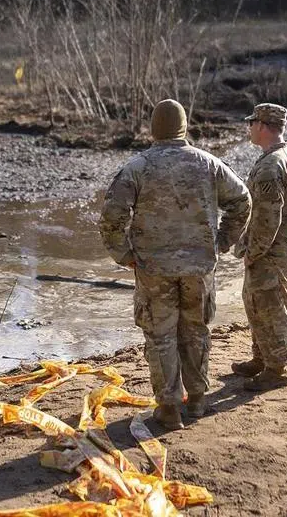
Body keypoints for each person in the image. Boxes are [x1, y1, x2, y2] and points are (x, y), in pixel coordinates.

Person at [99, 99, 251, 430]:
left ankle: (168, 407)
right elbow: (242, 201)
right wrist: (222, 242)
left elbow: (111, 217)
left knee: (160, 335)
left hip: (154, 269)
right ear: (183, 127)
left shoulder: (137, 167)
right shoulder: (209, 164)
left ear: (154, 129)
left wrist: (124, 255)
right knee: (195, 330)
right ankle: (196, 399)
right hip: (199, 267)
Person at [232, 103, 287, 392]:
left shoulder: (272, 165)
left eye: (252, 123)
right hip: (282, 246)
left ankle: (276, 369)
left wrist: (253, 251)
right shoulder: (285, 155)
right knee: (256, 302)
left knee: (270, 305)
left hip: (272, 250)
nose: (249, 127)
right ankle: (261, 358)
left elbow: (267, 220)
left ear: (262, 126)